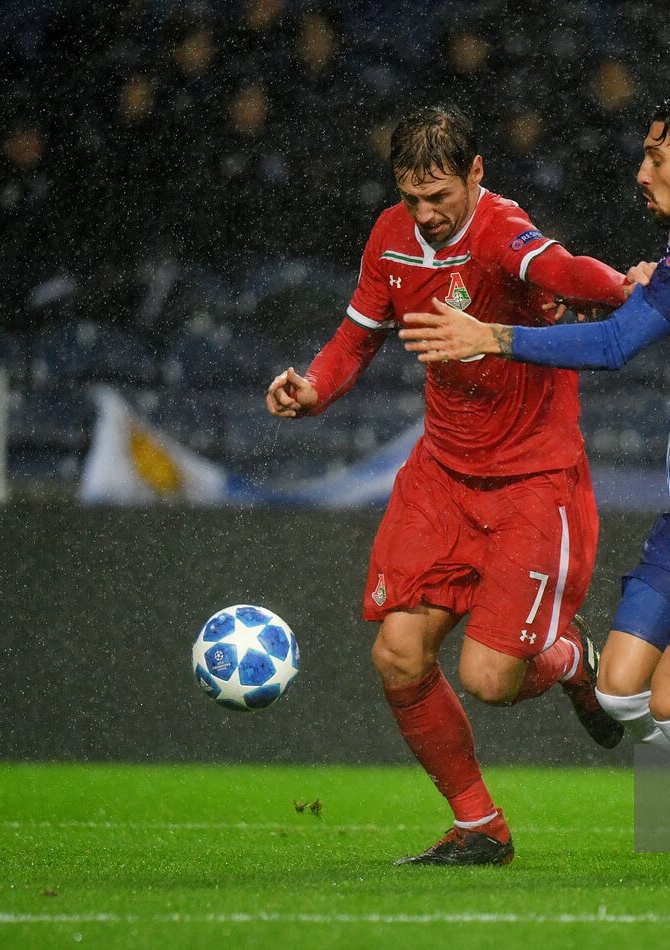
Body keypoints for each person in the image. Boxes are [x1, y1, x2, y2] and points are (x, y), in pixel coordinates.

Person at [400, 87, 670, 876]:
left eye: (656, 157)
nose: (641, 173)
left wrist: (487, 335)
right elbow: (650, 300)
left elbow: (610, 348)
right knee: (623, 691)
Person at [265, 104, 631, 866]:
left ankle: (570, 660)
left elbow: (564, 272)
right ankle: (479, 826)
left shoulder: (501, 230)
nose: (426, 215)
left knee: (491, 678)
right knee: (399, 653)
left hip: (534, 480)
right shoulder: (391, 236)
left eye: (441, 197)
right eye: (411, 198)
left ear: (476, 174)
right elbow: (356, 337)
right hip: (442, 474)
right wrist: (314, 390)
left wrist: (631, 291)